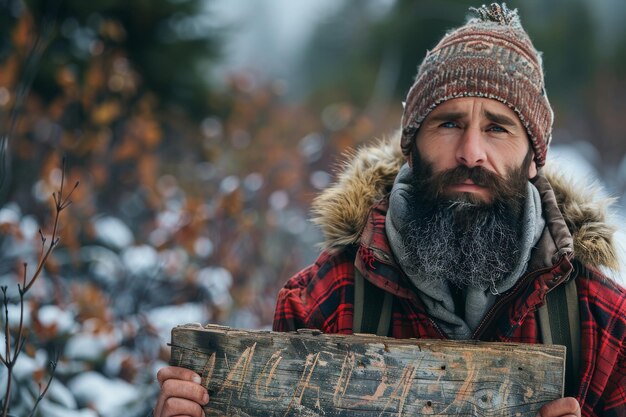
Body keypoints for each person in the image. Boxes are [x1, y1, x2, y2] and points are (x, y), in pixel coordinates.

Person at [152, 3, 626, 417]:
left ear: (532, 161)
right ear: (410, 147)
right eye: (448, 123)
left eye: (498, 128)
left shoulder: (603, 323)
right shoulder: (324, 301)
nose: (470, 152)